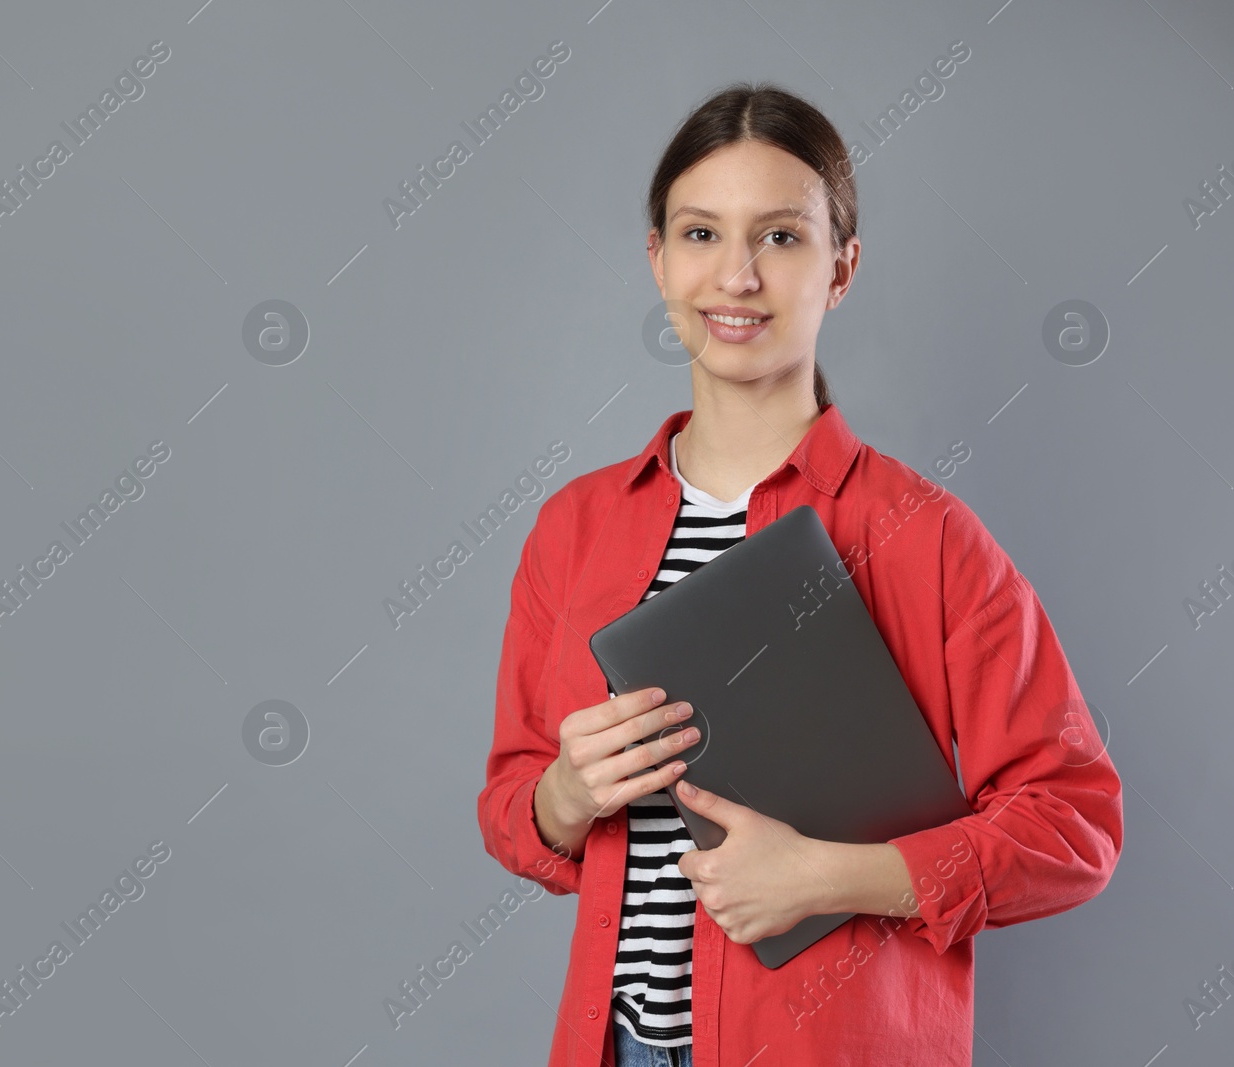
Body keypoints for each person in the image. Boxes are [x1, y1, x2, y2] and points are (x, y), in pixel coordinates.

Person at [475, 82, 1123, 1067]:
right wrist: (564, 792)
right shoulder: (575, 525)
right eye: (700, 234)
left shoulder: (925, 535)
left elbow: (1072, 823)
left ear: (841, 268)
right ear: (657, 258)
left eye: (780, 237)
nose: (734, 275)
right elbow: (514, 801)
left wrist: (835, 875)